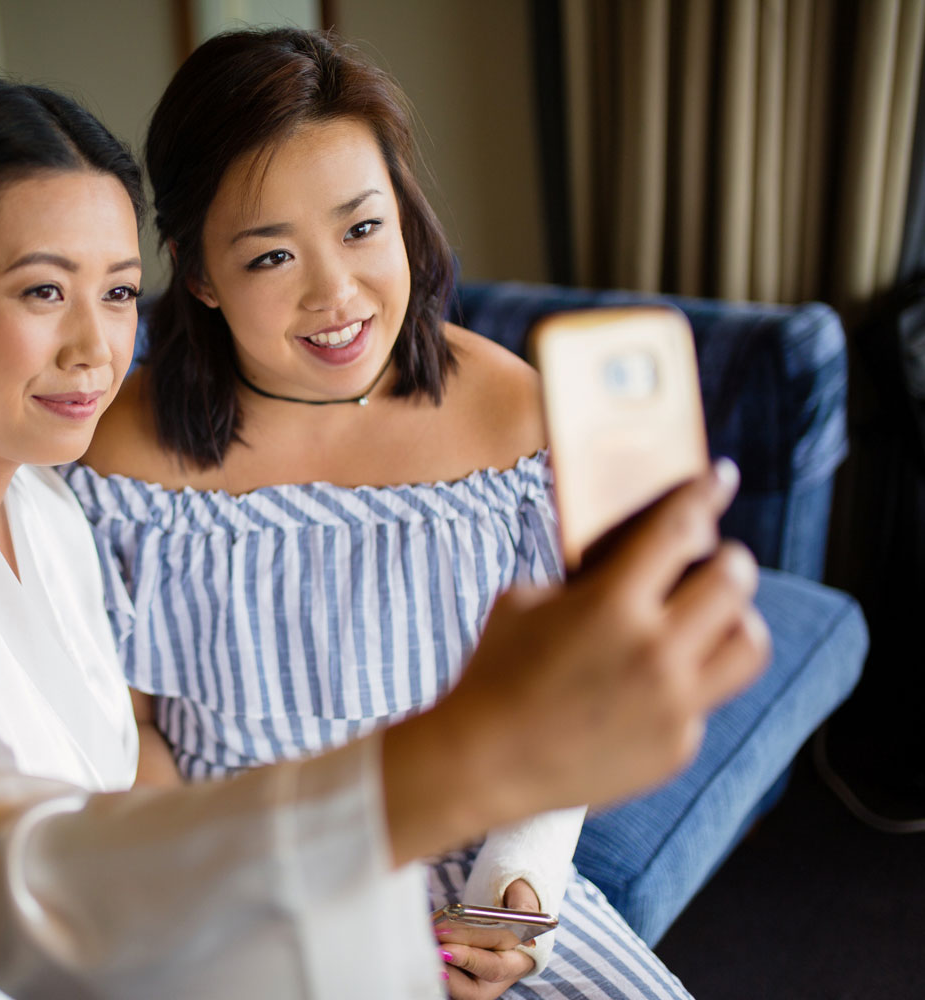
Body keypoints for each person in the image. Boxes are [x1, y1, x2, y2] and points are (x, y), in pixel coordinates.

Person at [0, 73, 766, 1000]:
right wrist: (454, 762)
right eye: (42, 291)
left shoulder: (43, 501)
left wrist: (495, 879)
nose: (97, 350)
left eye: (112, 294)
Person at [69, 28, 761, 1000]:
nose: (337, 293)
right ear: (198, 275)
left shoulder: (512, 411)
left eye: (362, 228)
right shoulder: (121, 459)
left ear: (404, 216)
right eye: (271, 256)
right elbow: (125, 733)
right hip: (237, 895)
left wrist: (514, 900)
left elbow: (564, 696)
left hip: (470, 889)